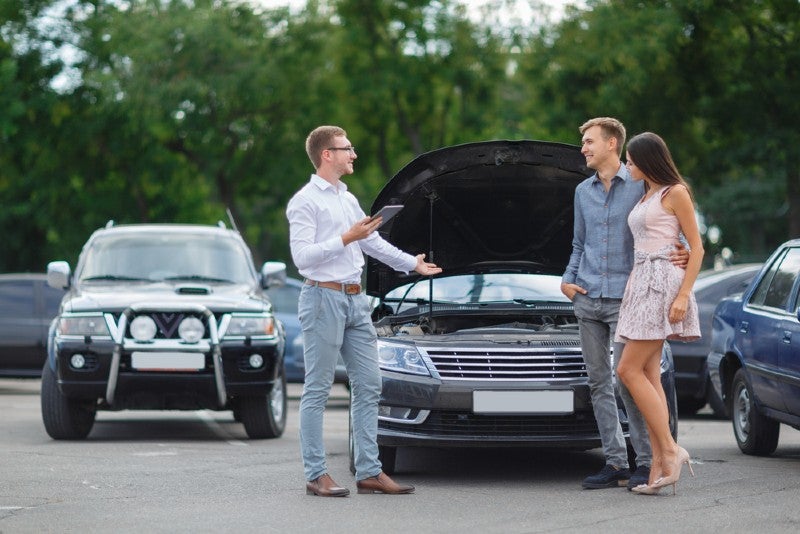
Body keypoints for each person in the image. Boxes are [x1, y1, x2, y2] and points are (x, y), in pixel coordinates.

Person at [286, 125, 442, 497]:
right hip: (323, 298)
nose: (353, 154)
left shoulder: (346, 198)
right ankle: (316, 474)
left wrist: (411, 263)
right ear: (327, 154)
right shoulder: (304, 200)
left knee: (370, 385)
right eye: (347, 148)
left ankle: (370, 471)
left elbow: (371, 242)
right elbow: (302, 259)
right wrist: (346, 238)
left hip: (357, 300)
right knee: (318, 389)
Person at [561, 117, 687, 491]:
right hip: (586, 297)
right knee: (598, 382)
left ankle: (646, 458)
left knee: (627, 381)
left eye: (588, 141)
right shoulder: (582, 191)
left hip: (628, 298)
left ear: (612, 144)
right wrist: (568, 279)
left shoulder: (639, 185)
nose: (583, 148)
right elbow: (578, 244)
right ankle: (615, 462)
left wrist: (680, 252)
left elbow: (666, 227)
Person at [615, 132, 703, 495]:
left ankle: (671, 449)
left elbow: (696, 249)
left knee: (627, 370)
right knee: (648, 373)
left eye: (632, 160)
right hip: (639, 283)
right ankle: (657, 465)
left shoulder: (674, 192)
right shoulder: (645, 194)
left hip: (662, 284)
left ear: (649, 160)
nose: (628, 165)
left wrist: (683, 295)